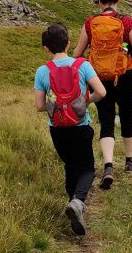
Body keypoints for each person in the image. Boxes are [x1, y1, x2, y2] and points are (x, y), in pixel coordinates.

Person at [34, 23, 106, 236]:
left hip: (57, 129)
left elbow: (39, 106)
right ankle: (77, 201)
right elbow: (101, 92)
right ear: (68, 43)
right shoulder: (82, 65)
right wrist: (85, 102)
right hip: (80, 125)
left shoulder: (42, 71)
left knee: (70, 165)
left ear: (46, 48)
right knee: (87, 169)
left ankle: (73, 203)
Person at [73, 0, 132, 190]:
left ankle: (108, 166)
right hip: (126, 75)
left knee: (106, 119)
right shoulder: (127, 21)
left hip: (99, 77)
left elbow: (78, 53)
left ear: (100, 3)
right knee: (127, 115)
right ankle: (129, 162)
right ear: (117, 2)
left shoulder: (90, 23)